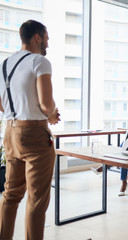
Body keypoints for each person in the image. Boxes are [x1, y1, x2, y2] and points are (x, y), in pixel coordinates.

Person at [0, 20, 60, 240]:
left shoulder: (4, 65)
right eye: (46, 37)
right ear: (37, 37)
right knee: (36, 199)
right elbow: (46, 105)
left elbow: (1, 104)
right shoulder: (40, 62)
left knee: (10, 194)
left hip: (10, 133)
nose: (48, 42)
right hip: (34, 135)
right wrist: (52, 114)